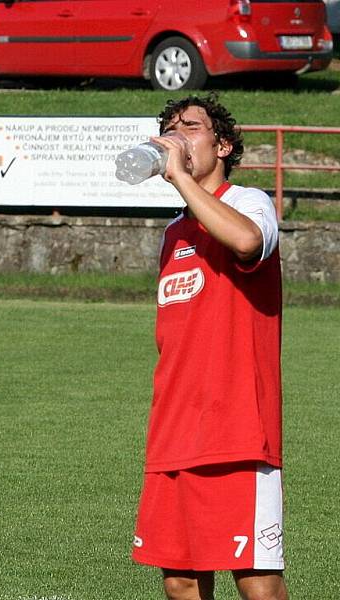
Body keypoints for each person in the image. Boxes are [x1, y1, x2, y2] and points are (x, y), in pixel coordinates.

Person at [132, 94, 285, 600]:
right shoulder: (175, 233)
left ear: (222, 145)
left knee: (256, 581)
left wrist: (180, 179)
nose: (176, 136)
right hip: (174, 428)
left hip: (236, 428)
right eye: (170, 128)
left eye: (190, 128)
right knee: (179, 579)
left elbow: (245, 242)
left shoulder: (249, 201)